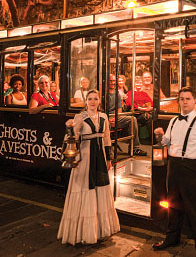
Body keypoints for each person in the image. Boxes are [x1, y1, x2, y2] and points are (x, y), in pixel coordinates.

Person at [153, 86, 196, 256]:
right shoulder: (174, 121)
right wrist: (160, 136)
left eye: (188, 98)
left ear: (194, 100)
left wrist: (195, 156)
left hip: (192, 168)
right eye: (181, 99)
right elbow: (166, 142)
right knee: (172, 206)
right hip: (174, 167)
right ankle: (172, 238)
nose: (184, 102)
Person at [58, 90, 120, 245]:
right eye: (90, 99)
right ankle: (84, 232)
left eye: (95, 99)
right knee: (86, 189)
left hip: (101, 159)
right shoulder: (80, 117)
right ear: (85, 101)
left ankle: (99, 230)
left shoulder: (104, 117)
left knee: (100, 190)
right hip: (85, 159)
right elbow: (72, 138)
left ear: (100, 101)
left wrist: (109, 159)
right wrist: (69, 128)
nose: (93, 101)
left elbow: (107, 139)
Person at [107, 75, 146, 157]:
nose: (113, 83)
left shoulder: (117, 94)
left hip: (115, 117)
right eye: (110, 81)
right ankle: (108, 150)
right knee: (105, 123)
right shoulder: (103, 94)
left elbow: (119, 110)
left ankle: (134, 148)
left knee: (132, 119)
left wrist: (115, 119)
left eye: (114, 81)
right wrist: (108, 119)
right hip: (105, 117)